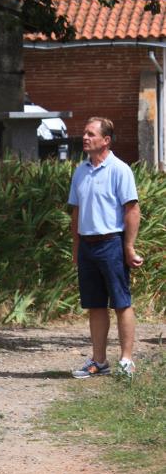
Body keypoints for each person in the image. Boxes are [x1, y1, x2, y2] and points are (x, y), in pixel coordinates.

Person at [68, 117, 143, 379]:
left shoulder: (119, 170)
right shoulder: (80, 171)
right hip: (87, 246)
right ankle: (99, 361)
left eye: (91, 134)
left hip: (111, 243)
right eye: (85, 133)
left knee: (121, 302)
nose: (85, 137)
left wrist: (129, 247)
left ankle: (126, 360)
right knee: (95, 305)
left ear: (106, 140)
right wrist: (76, 248)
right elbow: (76, 213)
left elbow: (132, 211)